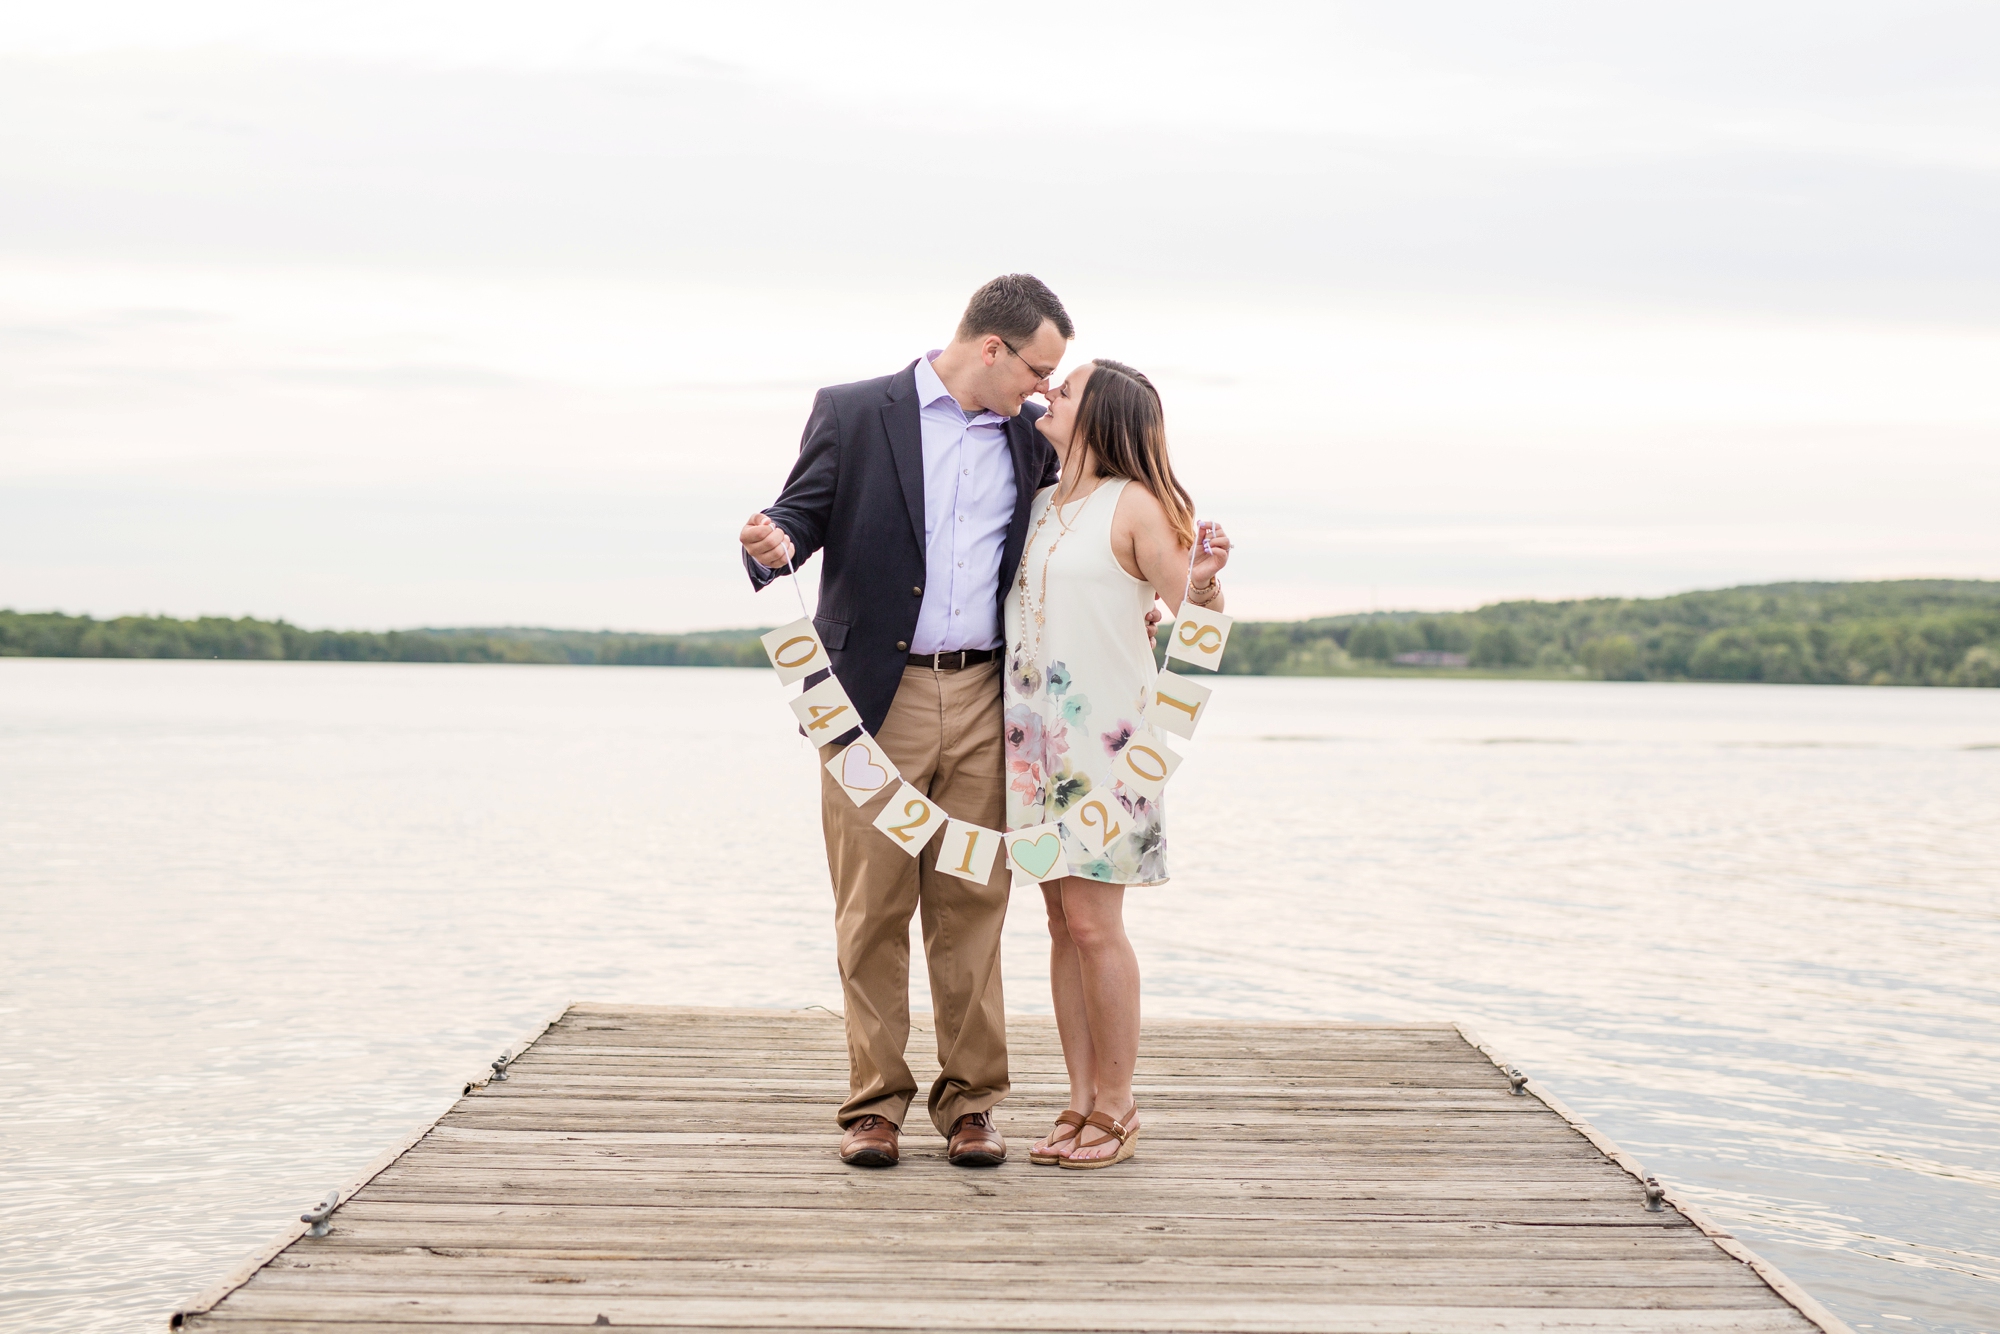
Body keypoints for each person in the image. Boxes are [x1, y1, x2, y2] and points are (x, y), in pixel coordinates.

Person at [738, 274, 1072, 1168]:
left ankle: (971, 1106)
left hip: (988, 697)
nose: (1044, 389)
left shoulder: (1030, 440)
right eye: (1036, 369)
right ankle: (874, 1106)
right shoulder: (851, 412)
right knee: (870, 907)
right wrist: (769, 540)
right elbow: (796, 519)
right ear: (991, 347)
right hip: (865, 702)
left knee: (975, 902)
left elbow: (1058, 547)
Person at [1002, 359, 1230, 1169]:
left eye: (1064, 391)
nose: (1047, 395)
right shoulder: (1036, 505)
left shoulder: (1140, 506)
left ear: (1101, 416)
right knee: (1060, 924)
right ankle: (1078, 1096)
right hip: (1033, 749)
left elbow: (1198, 622)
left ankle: (1119, 1106)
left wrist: (1201, 587)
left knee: (1098, 926)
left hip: (1112, 752)